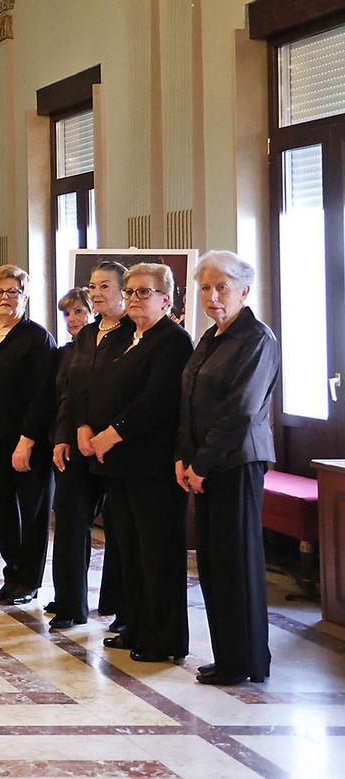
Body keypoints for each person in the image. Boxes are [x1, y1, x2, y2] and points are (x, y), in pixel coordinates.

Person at [177, 250, 279, 686]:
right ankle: (228, 655)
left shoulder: (257, 338)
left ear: (244, 291)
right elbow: (187, 401)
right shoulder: (210, 337)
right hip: (205, 463)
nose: (213, 296)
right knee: (214, 564)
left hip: (236, 462)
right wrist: (185, 458)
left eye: (222, 287)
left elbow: (240, 410)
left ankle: (247, 661)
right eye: (205, 287)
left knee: (236, 562)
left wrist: (202, 461)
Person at [89, 263, 194, 664]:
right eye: (130, 291)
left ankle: (163, 637)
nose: (133, 298)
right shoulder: (130, 338)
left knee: (157, 553)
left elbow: (156, 401)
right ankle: (135, 622)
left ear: (166, 299)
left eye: (143, 292)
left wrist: (110, 434)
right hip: (120, 465)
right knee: (129, 550)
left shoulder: (171, 340)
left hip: (152, 466)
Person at [0, 265, 58, 607]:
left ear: (25, 297)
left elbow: (44, 394)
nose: (6, 298)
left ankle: (29, 581)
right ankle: (12, 574)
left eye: (13, 292)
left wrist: (27, 439)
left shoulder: (38, 339)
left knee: (33, 513)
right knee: (6, 510)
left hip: (28, 443)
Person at [46, 285, 116, 629]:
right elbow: (63, 402)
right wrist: (62, 437)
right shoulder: (65, 352)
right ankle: (70, 602)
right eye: (67, 313)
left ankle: (116, 603)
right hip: (72, 446)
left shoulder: (117, 344)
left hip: (113, 446)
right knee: (71, 523)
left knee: (117, 527)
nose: (72, 319)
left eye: (79, 311)